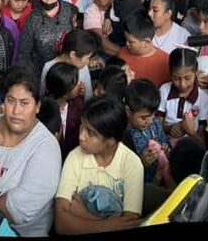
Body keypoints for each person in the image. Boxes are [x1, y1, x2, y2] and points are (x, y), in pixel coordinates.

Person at [0, 65, 62, 237]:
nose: (16, 111)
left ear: (37, 106)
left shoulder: (46, 147)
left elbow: (19, 211)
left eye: (24, 103)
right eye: (10, 100)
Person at [54, 98, 144, 234]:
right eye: (82, 126)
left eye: (91, 133)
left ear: (111, 142)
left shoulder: (132, 163)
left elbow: (128, 224)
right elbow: (61, 223)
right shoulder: (75, 156)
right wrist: (109, 225)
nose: (81, 136)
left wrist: (84, 214)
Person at [124, 80, 173, 189]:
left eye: (153, 115)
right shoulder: (125, 136)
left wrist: (166, 150)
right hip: (141, 187)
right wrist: (140, 163)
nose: (150, 121)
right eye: (144, 118)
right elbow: (124, 173)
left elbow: (165, 142)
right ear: (128, 111)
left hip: (162, 177)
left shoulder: (155, 124)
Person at [157, 48, 208, 142]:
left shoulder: (205, 99)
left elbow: (202, 142)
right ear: (170, 74)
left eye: (187, 78)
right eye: (176, 78)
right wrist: (169, 129)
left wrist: (191, 132)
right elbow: (157, 126)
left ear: (196, 74)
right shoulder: (164, 90)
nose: (182, 84)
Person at [118, 19, 170, 87]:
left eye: (131, 42)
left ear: (146, 43)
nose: (126, 44)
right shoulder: (122, 53)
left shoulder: (166, 61)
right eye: (126, 39)